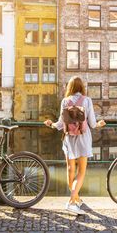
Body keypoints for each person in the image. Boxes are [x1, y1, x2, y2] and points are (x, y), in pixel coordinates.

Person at [44, 76, 105, 214]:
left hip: (69, 139)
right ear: (82, 87)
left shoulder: (65, 101)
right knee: (81, 172)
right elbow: (92, 123)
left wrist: (51, 124)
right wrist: (99, 124)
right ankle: (72, 201)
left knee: (70, 169)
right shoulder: (87, 100)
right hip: (83, 138)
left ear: (69, 87)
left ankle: (76, 198)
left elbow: (60, 124)